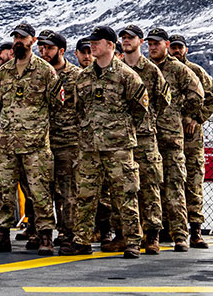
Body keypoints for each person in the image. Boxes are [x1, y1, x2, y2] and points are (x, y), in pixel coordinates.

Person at [62, 25, 149, 258]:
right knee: (86, 195)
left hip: (118, 147)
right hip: (90, 147)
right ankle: (82, 241)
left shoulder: (127, 76)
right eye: (91, 42)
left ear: (110, 45)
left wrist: (121, 130)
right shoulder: (84, 77)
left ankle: (132, 240)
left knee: (125, 195)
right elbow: (78, 109)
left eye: (97, 42)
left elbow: (140, 109)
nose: (92, 46)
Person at [0, 23, 58, 254]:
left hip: (35, 145)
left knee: (40, 192)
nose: (18, 41)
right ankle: (2, 235)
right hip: (6, 144)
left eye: (22, 38)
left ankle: (44, 236)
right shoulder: (3, 72)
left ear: (32, 41)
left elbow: (58, 107)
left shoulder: (45, 71)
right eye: (15, 37)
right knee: (4, 190)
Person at [146, 28, 204, 251]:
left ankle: (181, 235)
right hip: (150, 137)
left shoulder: (179, 70)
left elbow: (199, 94)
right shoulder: (146, 69)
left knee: (175, 187)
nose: (153, 47)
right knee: (151, 187)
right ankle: (154, 233)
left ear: (166, 45)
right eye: (150, 43)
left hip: (172, 137)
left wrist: (190, 116)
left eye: (157, 44)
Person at [120, 24, 169, 254]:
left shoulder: (150, 70)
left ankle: (152, 236)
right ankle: (128, 233)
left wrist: (146, 120)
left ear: (140, 41)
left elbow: (162, 100)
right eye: (123, 38)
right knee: (125, 188)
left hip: (146, 136)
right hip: (122, 137)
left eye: (131, 38)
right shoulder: (116, 68)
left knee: (150, 186)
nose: (126, 41)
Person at [169, 34, 213, 247]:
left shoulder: (196, 72)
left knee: (193, 182)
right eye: (172, 47)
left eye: (179, 47)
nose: (176, 51)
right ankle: (170, 228)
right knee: (169, 182)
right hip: (167, 136)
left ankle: (196, 230)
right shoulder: (160, 71)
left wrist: (196, 117)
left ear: (186, 50)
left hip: (190, 138)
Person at [39, 29, 82, 247]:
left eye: (49, 48)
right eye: (42, 47)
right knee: (43, 190)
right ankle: (43, 232)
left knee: (68, 191)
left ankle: (68, 232)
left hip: (68, 141)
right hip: (41, 142)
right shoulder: (38, 74)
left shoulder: (76, 76)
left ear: (61, 51)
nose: (44, 52)